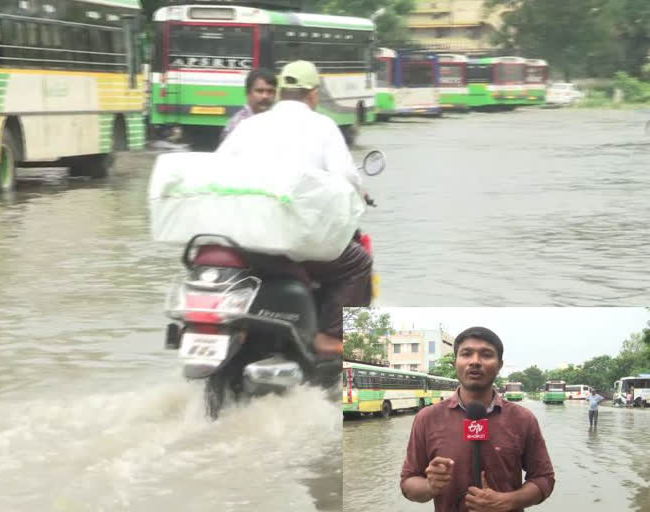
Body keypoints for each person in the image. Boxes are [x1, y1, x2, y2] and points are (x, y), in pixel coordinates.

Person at [217, 60, 372, 358]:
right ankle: (329, 337)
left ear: (280, 92)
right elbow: (347, 177)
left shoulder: (248, 126)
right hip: (296, 243)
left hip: (246, 240)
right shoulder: (322, 126)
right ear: (312, 94)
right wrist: (358, 197)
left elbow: (218, 169)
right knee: (358, 263)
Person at [400, 326, 555, 512]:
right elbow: (408, 482)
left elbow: (544, 478)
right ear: (455, 362)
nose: (475, 361)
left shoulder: (523, 419)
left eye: (486, 355)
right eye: (466, 354)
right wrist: (430, 486)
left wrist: (509, 501)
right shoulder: (427, 418)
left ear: (499, 365)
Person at [219, 68, 277, 142]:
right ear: (248, 93)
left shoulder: (278, 122)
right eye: (260, 91)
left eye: (270, 91)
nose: (265, 96)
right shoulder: (237, 125)